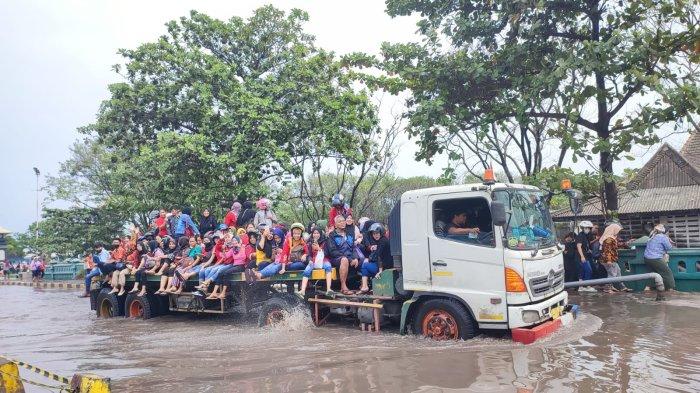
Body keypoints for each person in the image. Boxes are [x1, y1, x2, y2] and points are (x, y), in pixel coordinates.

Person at [325, 215, 359, 295]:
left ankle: (363, 285)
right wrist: (349, 259)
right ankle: (343, 287)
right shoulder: (331, 235)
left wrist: (356, 258)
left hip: (350, 257)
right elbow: (333, 251)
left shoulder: (349, 234)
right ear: (335, 225)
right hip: (337, 258)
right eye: (339, 221)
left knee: (364, 261)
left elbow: (353, 247)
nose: (342, 223)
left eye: (343, 221)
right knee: (344, 260)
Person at [299, 228, 334, 296]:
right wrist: (309, 260)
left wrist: (319, 249)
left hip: (323, 259)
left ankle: (328, 289)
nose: (316, 235)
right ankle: (302, 290)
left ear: (320, 234)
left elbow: (328, 253)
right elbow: (308, 254)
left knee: (328, 266)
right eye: (314, 233)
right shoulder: (310, 243)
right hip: (313, 260)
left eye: (318, 233)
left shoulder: (325, 242)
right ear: (312, 234)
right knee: (307, 270)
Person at [358, 223, 391, 294]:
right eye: (373, 234)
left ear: (381, 232)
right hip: (384, 265)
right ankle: (371, 286)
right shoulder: (382, 240)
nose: (375, 235)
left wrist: (380, 270)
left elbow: (378, 256)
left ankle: (365, 286)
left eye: (377, 233)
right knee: (368, 264)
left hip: (386, 266)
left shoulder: (382, 241)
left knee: (365, 265)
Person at [600, 223, 633, 293]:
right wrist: (609, 260)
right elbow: (607, 250)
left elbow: (615, 246)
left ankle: (621, 287)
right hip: (609, 260)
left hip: (611, 259)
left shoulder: (611, 238)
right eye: (617, 230)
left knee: (618, 271)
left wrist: (625, 244)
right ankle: (607, 288)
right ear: (613, 230)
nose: (618, 232)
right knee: (612, 274)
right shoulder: (608, 239)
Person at [644, 224, 675, 291]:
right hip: (655, 258)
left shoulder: (652, 235)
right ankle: (670, 288)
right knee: (667, 273)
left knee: (652, 273)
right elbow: (669, 248)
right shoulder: (663, 237)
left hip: (647, 258)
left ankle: (647, 288)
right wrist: (670, 242)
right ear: (665, 231)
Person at [576, 221, 595, 291]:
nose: (588, 230)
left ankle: (581, 287)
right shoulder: (580, 236)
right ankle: (587, 286)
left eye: (589, 228)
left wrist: (588, 250)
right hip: (581, 256)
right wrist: (582, 256)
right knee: (588, 270)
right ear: (583, 228)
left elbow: (585, 246)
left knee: (582, 271)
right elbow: (579, 246)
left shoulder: (585, 236)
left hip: (585, 255)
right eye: (587, 228)